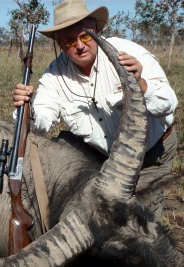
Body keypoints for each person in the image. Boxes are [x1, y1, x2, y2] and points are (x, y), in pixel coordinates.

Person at [12, 0, 178, 221]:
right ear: (60, 44)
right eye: (70, 40)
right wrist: (27, 110)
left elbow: (168, 103)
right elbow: (40, 122)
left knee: (143, 225)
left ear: (96, 31)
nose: (80, 45)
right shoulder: (54, 76)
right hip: (104, 158)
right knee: (108, 222)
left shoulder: (128, 54)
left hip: (151, 153)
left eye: (86, 36)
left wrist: (141, 85)